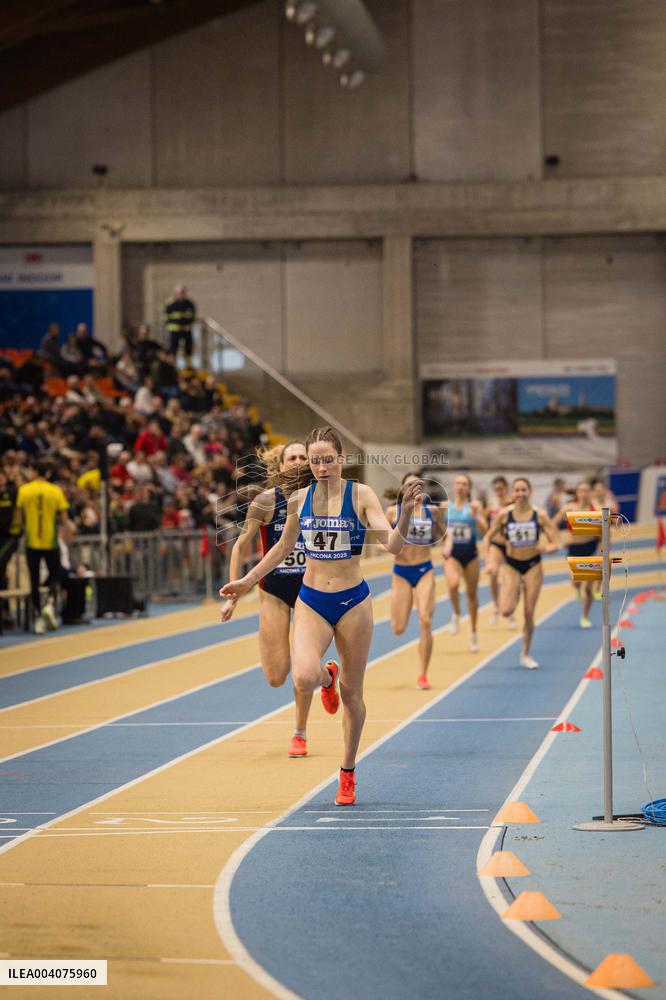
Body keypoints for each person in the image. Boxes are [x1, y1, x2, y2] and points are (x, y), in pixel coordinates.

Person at [220, 426, 423, 807]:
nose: (322, 467)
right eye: (316, 461)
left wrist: (407, 514)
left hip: (353, 603)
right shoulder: (300, 499)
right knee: (303, 677)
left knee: (353, 695)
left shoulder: (361, 495)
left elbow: (393, 546)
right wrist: (246, 582)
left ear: (341, 459)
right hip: (312, 600)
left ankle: (347, 772)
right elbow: (281, 549)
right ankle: (326, 676)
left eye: (328, 460)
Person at [222, 440, 319, 757]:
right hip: (273, 591)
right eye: (292, 457)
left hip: (310, 593)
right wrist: (234, 594)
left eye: (303, 457)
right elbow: (240, 546)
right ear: (280, 465)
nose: (298, 462)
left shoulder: (322, 498)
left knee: (302, 670)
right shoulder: (265, 501)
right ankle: (328, 676)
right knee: (276, 676)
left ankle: (299, 733)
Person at [484, 477, 559, 669]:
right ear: (512, 493)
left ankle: (525, 653)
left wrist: (547, 548)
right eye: (517, 490)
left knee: (528, 612)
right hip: (512, 565)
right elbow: (488, 538)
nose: (520, 493)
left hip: (533, 565)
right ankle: (514, 590)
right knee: (505, 610)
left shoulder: (540, 515)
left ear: (530, 491)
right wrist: (489, 561)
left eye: (523, 490)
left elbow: (555, 541)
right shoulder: (504, 515)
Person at [385, 473, 446, 690]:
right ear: (403, 489)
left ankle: (423, 675)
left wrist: (447, 547)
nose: (414, 488)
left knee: (425, 620)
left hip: (424, 569)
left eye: (417, 485)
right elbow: (383, 540)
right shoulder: (393, 512)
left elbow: (444, 534)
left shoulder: (432, 512)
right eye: (409, 485)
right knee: (398, 628)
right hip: (401, 571)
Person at [16, 462, 69, 631]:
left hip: (31, 541)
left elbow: (19, 518)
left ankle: (39, 616)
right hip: (50, 541)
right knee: (55, 574)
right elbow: (63, 518)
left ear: (33, 471)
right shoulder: (55, 491)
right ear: (47, 473)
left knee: (34, 579)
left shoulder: (24, 490)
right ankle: (50, 605)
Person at [442, 474, 487, 652]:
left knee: (471, 594)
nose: (460, 486)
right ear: (454, 486)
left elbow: (484, 530)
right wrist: (446, 544)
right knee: (453, 584)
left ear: (468, 488)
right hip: (453, 554)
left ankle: (473, 631)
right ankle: (456, 613)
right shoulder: (446, 507)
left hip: (471, 554)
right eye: (458, 483)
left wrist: (476, 516)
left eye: (464, 484)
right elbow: (442, 531)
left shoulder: (474, 506)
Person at [553, 480, 597, 629]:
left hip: (591, 549)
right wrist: (560, 540)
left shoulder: (596, 509)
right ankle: (577, 588)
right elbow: (552, 523)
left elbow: (605, 531)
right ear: (577, 493)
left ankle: (585, 617)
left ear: (590, 493)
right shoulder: (569, 508)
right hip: (574, 549)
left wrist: (603, 548)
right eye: (581, 491)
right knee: (576, 581)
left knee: (589, 589)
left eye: (587, 491)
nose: (584, 494)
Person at [484, 475, 516, 628]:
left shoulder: (513, 501)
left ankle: (510, 611)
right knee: (493, 573)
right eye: (496, 489)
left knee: (508, 578)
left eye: (501, 488)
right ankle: (496, 605)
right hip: (496, 543)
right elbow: (484, 517)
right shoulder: (492, 502)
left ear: (506, 488)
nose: (498, 491)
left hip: (510, 544)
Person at [0, 470, 21, 626]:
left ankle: (5, 612)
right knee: (2, 574)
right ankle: (5, 611)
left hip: (10, 537)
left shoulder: (13, 493)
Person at [164, 284, 196, 367]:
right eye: (179, 292)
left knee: (188, 348)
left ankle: (188, 367)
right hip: (174, 330)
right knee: (173, 349)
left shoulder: (189, 303)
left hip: (186, 330)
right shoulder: (170, 303)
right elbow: (167, 317)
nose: (181, 294)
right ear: (175, 293)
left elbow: (192, 316)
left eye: (183, 292)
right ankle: (172, 367)